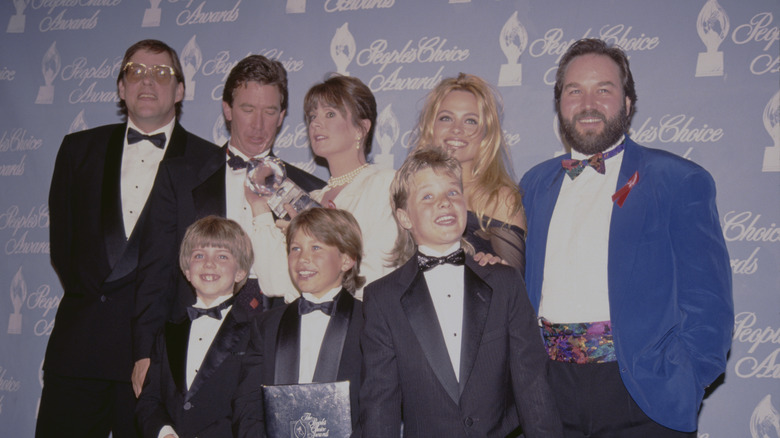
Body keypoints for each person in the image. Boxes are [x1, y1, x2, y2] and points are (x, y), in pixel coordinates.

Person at [520, 38, 733, 437]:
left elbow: (709, 302)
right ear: (560, 103)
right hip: (548, 396)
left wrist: (685, 378)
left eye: (604, 89)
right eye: (574, 91)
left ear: (628, 102)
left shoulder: (679, 181)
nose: (588, 103)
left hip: (642, 395)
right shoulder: (533, 185)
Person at [37, 39, 217, 438]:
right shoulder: (77, 150)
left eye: (162, 72)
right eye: (135, 71)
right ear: (121, 88)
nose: (147, 81)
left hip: (159, 359)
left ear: (181, 90)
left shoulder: (209, 162)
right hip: (80, 349)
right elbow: (63, 250)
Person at [132, 55, 325, 397]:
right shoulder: (179, 177)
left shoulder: (308, 190)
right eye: (248, 108)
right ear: (227, 109)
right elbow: (154, 271)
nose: (258, 124)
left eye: (270, 112)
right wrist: (145, 351)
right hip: (194, 342)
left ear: (282, 117)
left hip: (278, 344)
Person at [359, 146, 561, 437]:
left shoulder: (504, 283)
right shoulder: (382, 299)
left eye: (453, 193)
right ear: (404, 218)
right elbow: (380, 405)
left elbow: (534, 386)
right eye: (427, 196)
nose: (444, 203)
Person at [248, 74, 396, 301]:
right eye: (312, 116)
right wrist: (259, 208)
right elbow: (275, 284)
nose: (316, 123)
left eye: (330, 114)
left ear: (361, 128)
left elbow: (377, 275)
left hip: (361, 327)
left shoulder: (384, 184)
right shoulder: (309, 198)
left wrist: (316, 243)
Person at [233, 207, 365, 437]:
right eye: (295, 248)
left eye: (316, 247)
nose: (303, 258)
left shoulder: (370, 322)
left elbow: (380, 406)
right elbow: (247, 404)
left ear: (346, 259)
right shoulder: (266, 325)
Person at [136, 216, 254, 438]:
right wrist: (164, 432)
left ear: (240, 272)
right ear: (187, 271)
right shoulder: (168, 332)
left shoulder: (255, 331)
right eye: (199, 255)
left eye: (222, 256)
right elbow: (149, 399)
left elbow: (252, 408)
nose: (209, 264)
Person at [414, 73, 526, 272]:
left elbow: (513, 289)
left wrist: (491, 271)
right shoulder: (407, 192)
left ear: (487, 133)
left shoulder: (501, 199)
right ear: (431, 126)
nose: (456, 129)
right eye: (446, 118)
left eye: (470, 121)